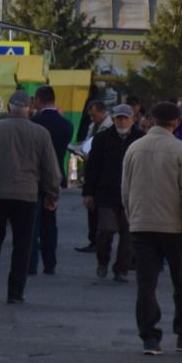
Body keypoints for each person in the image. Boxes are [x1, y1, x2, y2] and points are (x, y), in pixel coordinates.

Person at [121, 101, 182, 355]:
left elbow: (125, 190)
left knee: (146, 284)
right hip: (174, 227)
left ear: (151, 119)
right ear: (177, 122)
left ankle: (150, 337)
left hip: (141, 225)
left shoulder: (134, 148)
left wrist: (132, 219)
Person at [0, 89, 61, 304]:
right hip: (27, 196)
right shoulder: (40, 133)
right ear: (30, 109)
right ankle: (15, 293)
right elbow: (50, 169)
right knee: (23, 244)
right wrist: (52, 194)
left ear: (8, 108)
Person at [82, 105, 143, 282]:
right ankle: (103, 260)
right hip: (106, 193)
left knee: (128, 235)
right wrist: (88, 193)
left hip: (132, 195)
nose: (122, 121)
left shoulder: (140, 140)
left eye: (126, 118)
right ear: (114, 119)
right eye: (119, 118)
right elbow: (92, 167)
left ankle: (121, 269)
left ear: (133, 120)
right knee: (105, 230)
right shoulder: (102, 139)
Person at [29, 86, 75, 276]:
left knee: (32, 222)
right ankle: (50, 263)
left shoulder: (33, 123)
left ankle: (31, 263)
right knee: (50, 222)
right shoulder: (66, 125)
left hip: (34, 176)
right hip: (55, 177)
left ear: (39, 100)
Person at [74, 100, 112, 254]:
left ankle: (99, 242)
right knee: (91, 208)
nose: (92, 118)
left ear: (102, 112)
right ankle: (93, 240)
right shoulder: (94, 126)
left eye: (94, 115)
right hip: (91, 168)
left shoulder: (109, 128)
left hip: (102, 173)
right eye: (90, 116)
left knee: (99, 211)